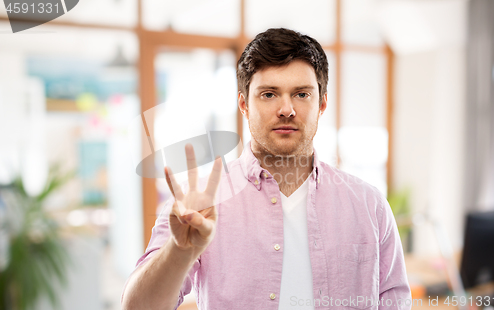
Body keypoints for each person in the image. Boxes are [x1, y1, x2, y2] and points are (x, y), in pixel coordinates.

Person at [121, 28, 411, 310]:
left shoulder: (369, 204)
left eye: (301, 94)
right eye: (269, 94)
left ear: (322, 104)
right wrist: (180, 250)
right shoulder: (200, 204)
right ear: (244, 105)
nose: (286, 109)